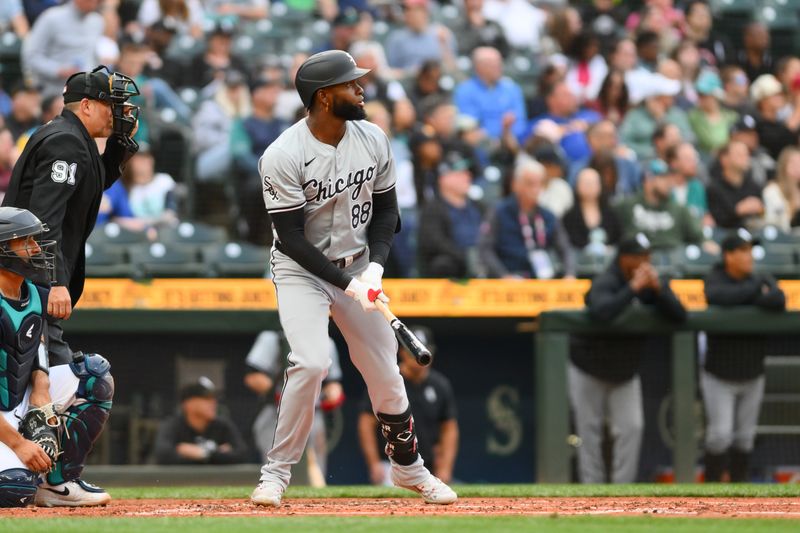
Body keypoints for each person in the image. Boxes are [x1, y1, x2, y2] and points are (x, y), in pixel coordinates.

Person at [250, 50, 457, 507]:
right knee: (311, 362)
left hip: (360, 264)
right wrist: (348, 286)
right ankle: (277, 474)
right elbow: (290, 239)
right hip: (302, 270)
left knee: (386, 370)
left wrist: (376, 267)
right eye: (350, 84)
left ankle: (409, 470)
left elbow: (387, 211)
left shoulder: (373, 138)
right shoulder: (283, 154)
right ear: (324, 98)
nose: (360, 89)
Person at [3, 66, 139, 367]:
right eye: (112, 105)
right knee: (76, 385)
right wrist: (53, 282)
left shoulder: (73, 137)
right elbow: (42, 220)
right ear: (87, 106)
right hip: (26, 285)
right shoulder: (65, 141)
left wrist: (119, 143)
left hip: (27, 281)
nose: (119, 112)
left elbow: (91, 184)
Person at [0, 207, 114, 507]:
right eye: (25, 241)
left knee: (94, 377)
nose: (37, 248)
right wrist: (20, 444)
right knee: (14, 490)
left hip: (17, 401)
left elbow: (36, 347)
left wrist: (42, 388)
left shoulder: (35, 292)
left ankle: (59, 482)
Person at [569, 233, 687, 483]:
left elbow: (680, 315)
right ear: (624, 259)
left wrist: (659, 290)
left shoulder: (650, 283)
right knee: (589, 433)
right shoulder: (607, 280)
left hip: (625, 372)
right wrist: (632, 288)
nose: (645, 263)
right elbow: (601, 311)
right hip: (589, 367)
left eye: (647, 257)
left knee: (632, 427)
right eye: (639, 257)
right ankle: (591, 490)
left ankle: (623, 490)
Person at [702, 229, 786, 482]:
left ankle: (740, 492)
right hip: (719, 372)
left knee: (745, 437)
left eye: (750, 250)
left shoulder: (760, 276)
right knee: (720, 435)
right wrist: (754, 294)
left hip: (752, 371)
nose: (749, 256)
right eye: (743, 250)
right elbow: (717, 296)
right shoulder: (716, 277)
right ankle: (711, 490)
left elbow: (778, 298)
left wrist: (753, 295)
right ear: (728, 255)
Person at [358, 326, 458, 486]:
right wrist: (374, 463)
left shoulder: (440, 385)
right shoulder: (388, 381)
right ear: (402, 352)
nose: (417, 356)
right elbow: (366, 423)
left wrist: (445, 467)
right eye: (412, 350)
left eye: (422, 350)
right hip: (391, 467)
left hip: (429, 467)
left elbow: (449, 428)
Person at [244, 331, 344, 485]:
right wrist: (287, 397)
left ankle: (312, 504)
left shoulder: (326, 342)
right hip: (276, 413)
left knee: (315, 466)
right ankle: (272, 490)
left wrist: (333, 394)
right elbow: (253, 377)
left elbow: (333, 382)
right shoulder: (273, 339)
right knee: (275, 464)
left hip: (312, 412)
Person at [478, 160, 575, 279]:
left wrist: (570, 274)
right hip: (507, 279)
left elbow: (564, 248)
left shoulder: (548, 216)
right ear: (515, 184)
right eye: (530, 184)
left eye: (540, 184)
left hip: (541, 280)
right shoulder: (499, 212)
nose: (535, 189)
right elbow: (485, 249)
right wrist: (503, 275)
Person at [417, 151, 484, 278]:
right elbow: (435, 243)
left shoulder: (479, 206)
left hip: (482, 260)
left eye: (467, 172)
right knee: (443, 264)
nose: (467, 176)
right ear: (443, 178)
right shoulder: (432, 209)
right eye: (460, 173)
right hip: (455, 267)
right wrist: (465, 257)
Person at [153, 377, 248, 465]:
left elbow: (242, 454)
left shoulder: (222, 425)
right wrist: (219, 455)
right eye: (206, 398)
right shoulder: (172, 425)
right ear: (188, 403)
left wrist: (203, 453)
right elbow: (163, 455)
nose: (213, 403)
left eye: (214, 398)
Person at [615, 159, 704, 252]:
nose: (669, 182)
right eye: (663, 177)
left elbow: (699, 238)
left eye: (670, 177)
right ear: (647, 179)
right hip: (637, 259)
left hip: (672, 262)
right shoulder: (626, 206)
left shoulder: (680, 210)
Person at [707, 140, 764, 230]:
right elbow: (716, 220)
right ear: (724, 159)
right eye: (739, 154)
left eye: (747, 154)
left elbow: (763, 212)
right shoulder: (714, 188)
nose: (745, 158)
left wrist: (761, 209)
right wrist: (738, 211)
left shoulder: (753, 186)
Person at [562, 167, 622, 250]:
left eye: (593, 183)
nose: (589, 186)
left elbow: (618, 239)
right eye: (585, 183)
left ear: (600, 185)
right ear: (577, 186)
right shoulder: (570, 216)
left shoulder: (611, 214)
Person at [763, 146, 800, 232]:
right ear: (783, 166)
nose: (798, 168)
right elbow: (776, 222)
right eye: (794, 163)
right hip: (781, 239)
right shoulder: (772, 191)